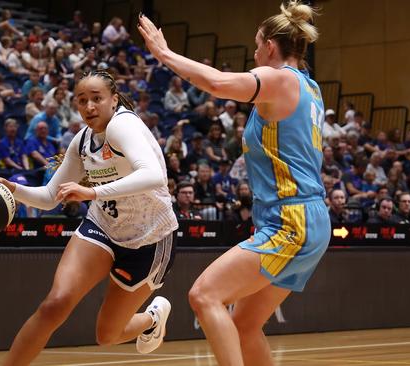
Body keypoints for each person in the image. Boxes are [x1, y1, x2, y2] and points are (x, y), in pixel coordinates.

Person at [139, 2, 330, 365]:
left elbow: (216, 83)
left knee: (204, 295)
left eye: (257, 45)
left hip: (291, 219)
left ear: (271, 46)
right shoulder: (310, 89)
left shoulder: (280, 79)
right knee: (243, 323)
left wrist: (164, 54)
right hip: (306, 218)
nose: (254, 52)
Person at [0, 69, 178, 365]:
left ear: (113, 100)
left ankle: (151, 319)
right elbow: (48, 197)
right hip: (103, 226)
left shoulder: (123, 125)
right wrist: (12, 188)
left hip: (148, 238)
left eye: (97, 99)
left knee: (107, 336)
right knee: (54, 304)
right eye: (82, 100)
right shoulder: (82, 141)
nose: (89, 107)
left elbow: (154, 176)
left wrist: (93, 193)